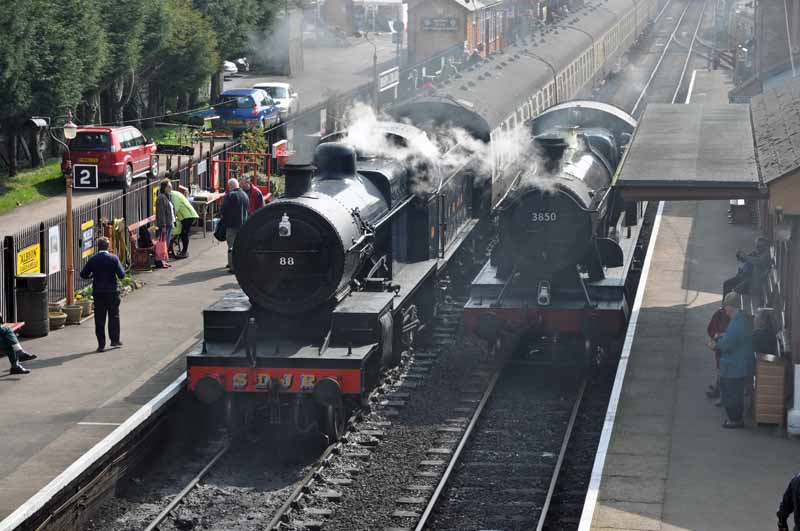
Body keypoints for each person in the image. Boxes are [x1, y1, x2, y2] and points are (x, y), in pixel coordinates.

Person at [712, 292, 754, 429]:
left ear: (730, 307)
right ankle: (736, 419)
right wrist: (724, 336)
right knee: (735, 393)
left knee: (732, 394)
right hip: (739, 364)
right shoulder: (741, 320)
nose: (725, 310)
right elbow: (734, 338)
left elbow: (727, 344)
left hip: (734, 366)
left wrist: (716, 343)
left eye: (725, 307)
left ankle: (735, 420)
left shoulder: (736, 323)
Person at [80, 237, 125, 352]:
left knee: (99, 318)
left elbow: (83, 274)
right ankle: (114, 340)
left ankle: (101, 344)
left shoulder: (93, 259)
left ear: (98, 247)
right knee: (114, 316)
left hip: (98, 292)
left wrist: (92, 275)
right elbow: (121, 275)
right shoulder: (114, 258)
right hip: (112, 292)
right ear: (108, 246)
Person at [220, 178, 249, 273]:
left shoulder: (230, 196)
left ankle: (232, 266)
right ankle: (240, 264)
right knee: (240, 246)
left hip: (232, 225)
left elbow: (223, 210)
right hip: (243, 224)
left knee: (231, 246)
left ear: (230, 186)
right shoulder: (245, 195)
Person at [705, 306, 730, 400]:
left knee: (721, 368)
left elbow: (710, 329)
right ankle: (718, 387)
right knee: (721, 368)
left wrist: (716, 337)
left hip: (723, 346)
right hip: (723, 346)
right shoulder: (721, 315)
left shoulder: (720, 314)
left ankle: (719, 390)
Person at [170, 188, 199, 258]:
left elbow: (174, 209)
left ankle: (184, 252)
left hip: (188, 216)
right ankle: (182, 251)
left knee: (184, 234)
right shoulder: (174, 194)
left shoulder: (174, 196)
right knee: (181, 233)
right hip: (185, 216)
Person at [155, 179, 176, 269]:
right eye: (169, 186)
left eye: (171, 186)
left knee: (166, 243)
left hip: (169, 223)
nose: (171, 188)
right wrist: (163, 225)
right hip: (165, 225)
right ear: (164, 188)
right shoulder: (161, 198)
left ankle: (163, 260)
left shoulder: (167, 196)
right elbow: (161, 213)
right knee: (162, 243)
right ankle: (159, 261)